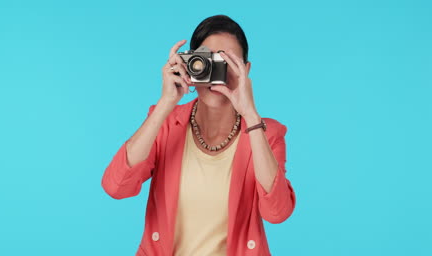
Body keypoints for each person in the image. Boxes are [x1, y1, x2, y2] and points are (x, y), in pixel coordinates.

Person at [101, 15, 296, 256]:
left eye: (227, 63)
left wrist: (251, 116)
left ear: (245, 71)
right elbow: (116, 187)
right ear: (191, 64)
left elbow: (277, 213)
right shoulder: (167, 123)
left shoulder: (267, 133)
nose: (218, 73)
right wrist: (166, 103)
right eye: (208, 61)